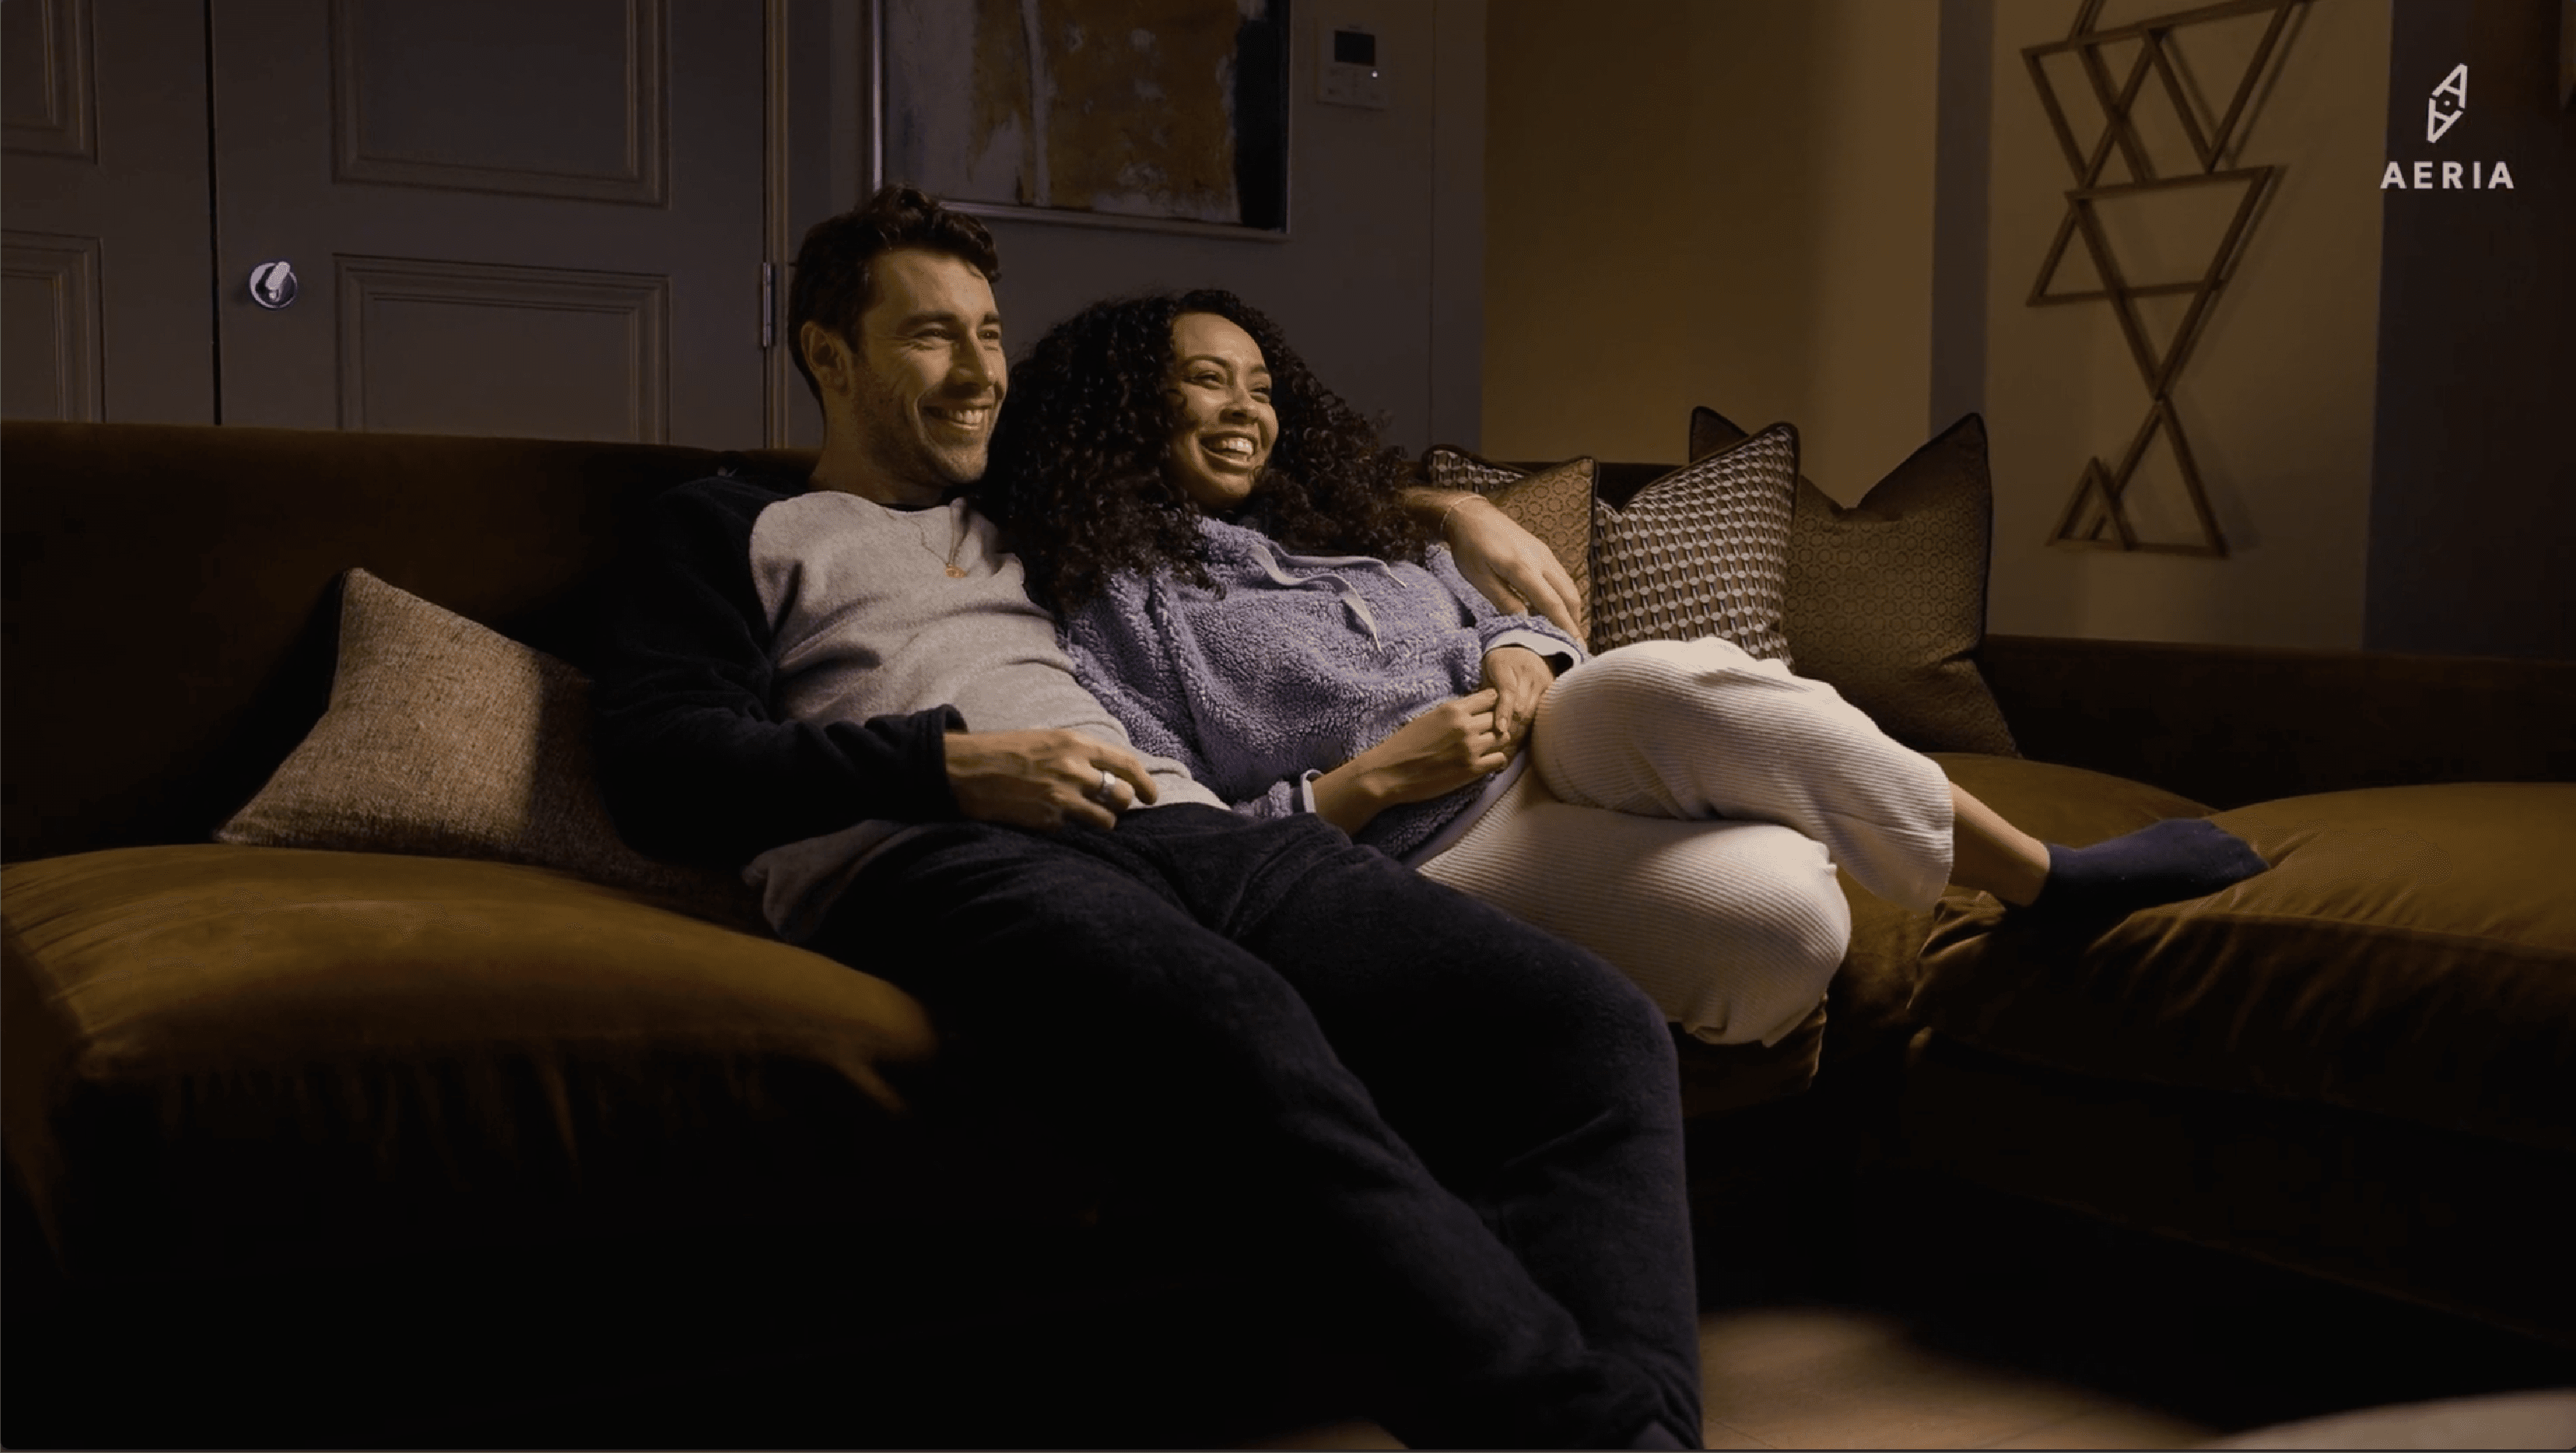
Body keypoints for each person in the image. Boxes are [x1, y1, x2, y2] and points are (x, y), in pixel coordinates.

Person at [585, 186, 1708, 1450]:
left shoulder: (1042, 501)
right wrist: (950, 771)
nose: (976, 371)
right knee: (1241, 1034)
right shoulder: (725, 526)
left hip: (1192, 830)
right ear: (827, 356)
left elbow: (1276, 484)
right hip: (947, 856)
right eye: (930, 336)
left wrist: (1452, 505)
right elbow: (665, 765)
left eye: (991, 333)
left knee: (1590, 1027)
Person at [980, 290, 2274, 1047]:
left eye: (1260, 385)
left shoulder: (1345, 525)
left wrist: (1525, 660)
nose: (1245, 409)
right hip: (1424, 843)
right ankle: (1759, 820)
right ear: (1124, 412)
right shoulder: (1105, 614)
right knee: (1790, 931)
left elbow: (1493, 617)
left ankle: (2045, 879)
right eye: (1206, 383)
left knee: (1664, 679)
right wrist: (1371, 782)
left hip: (1560, 729)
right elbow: (1174, 840)